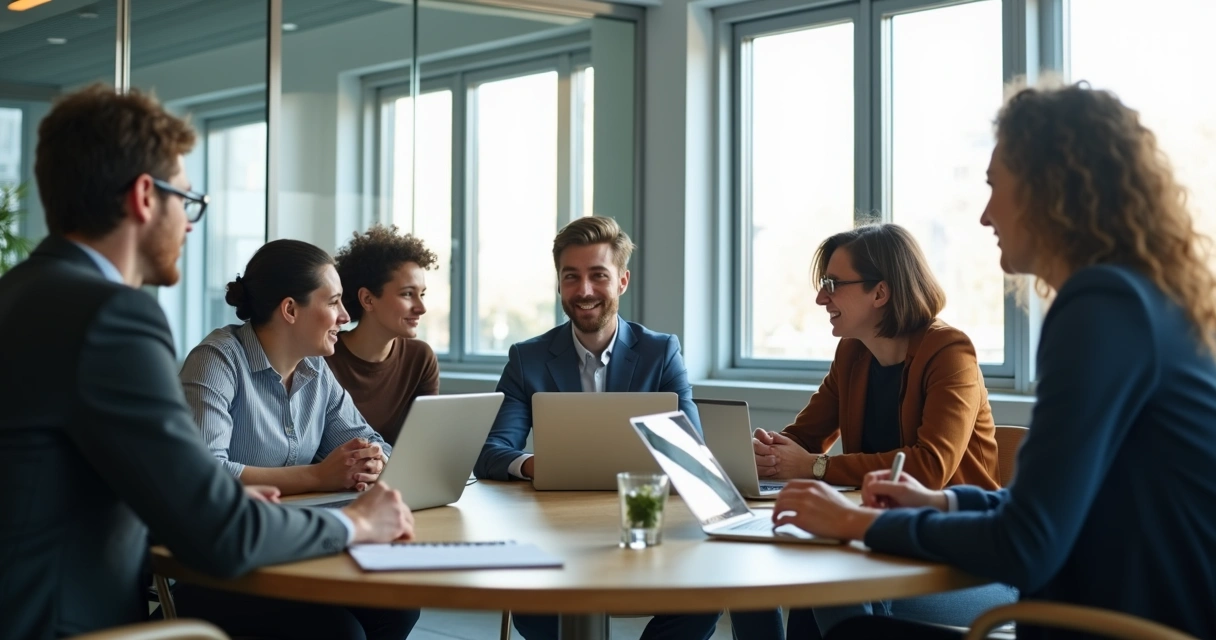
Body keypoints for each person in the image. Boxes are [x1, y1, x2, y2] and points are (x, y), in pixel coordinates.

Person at [771, 79, 1216, 640]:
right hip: (1123, 614)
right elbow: (1043, 508)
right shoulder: (1140, 302)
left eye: (994, 186)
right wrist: (942, 503)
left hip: (1116, 626)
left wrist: (859, 521)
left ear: (1049, 190)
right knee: (827, 612)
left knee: (849, 630)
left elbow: (1027, 542)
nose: (985, 216)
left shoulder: (1102, 308)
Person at [0, 84, 413, 640]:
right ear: (145, 197)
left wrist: (216, 501)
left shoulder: (19, 293)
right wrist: (354, 523)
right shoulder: (112, 317)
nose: (190, 223)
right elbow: (219, 534)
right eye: (186, 200)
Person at [731, 224, 1013, 639]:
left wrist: (815, 467)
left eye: (832, 284)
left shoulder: (949, 353)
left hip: (961, 560)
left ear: (880, 293)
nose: (820, 298)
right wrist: (765, 453)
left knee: (828, 582)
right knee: (750, 568)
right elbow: (804, 438)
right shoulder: (853, 352)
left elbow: (929, 468)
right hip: (877, 543)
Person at [473, 215, 719, 640]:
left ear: (622, 281)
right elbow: (491, 452)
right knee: (535, 610)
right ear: (559, 284)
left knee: (703, 601)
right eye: (571, 276)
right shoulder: (528, 359)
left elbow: (691, 452)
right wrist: (535, 465)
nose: (584, 290)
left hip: (647, 525)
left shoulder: (661, 352)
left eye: (598, 275)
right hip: (555, 532)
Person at [177, 238, 419, 639]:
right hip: (226, 561)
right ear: (290, 310)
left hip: (297, 546)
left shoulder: (316, 370)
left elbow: (371, 441)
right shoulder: (216, 360)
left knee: (398, 605)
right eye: (334, 302)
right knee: (340, 633)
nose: (345, 316)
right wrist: (317, 476)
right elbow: (207, 471)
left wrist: (373, 460)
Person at [327, 224, 440, 443]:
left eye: (422, 294)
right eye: (407, 294)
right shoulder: (322, 358)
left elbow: (423, 443)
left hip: (397, 466)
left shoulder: (421, 359)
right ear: (368, 299)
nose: (421, 308)